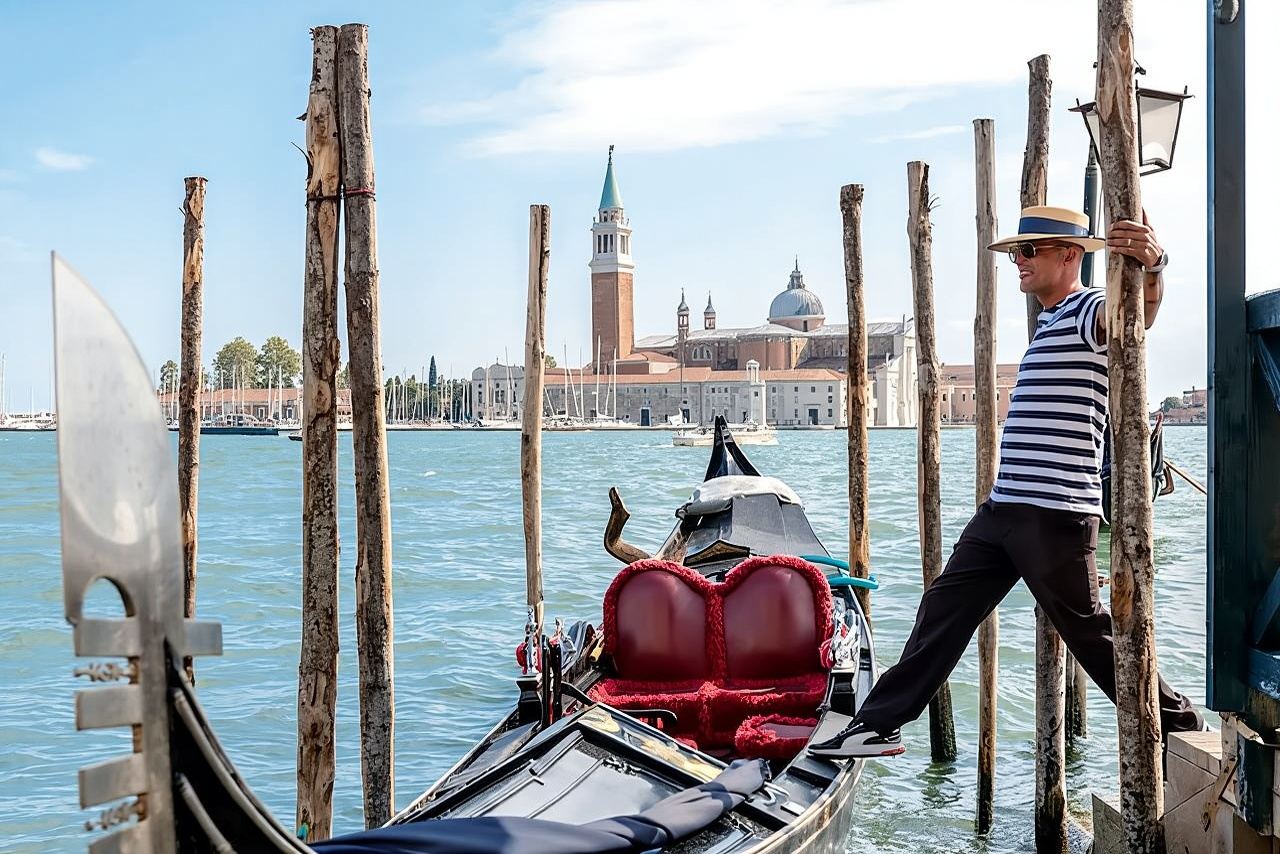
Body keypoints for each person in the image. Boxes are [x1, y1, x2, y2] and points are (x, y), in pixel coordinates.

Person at [809, 205, 1203, 759]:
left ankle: (1182, 729)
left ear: (1071, 256)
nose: (1018, 261)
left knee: (1093, 638)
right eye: (1016, 252)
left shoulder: (1091, 309)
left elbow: (1138, 316)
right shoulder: (1047, 323)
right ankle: (879, 724)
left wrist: (1155, 266)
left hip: (1055, 513)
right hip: (1003, 509)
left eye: (1029, 251)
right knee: (942, 611)